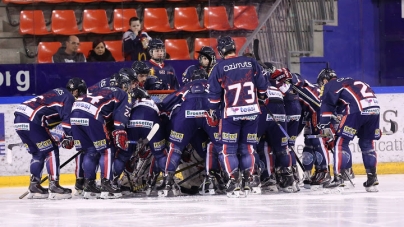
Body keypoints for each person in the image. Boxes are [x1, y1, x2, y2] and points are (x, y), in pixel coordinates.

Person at [207, 36, 268, 198]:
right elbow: (263, 87)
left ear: (220, 51)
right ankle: (247, 182)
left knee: (229, 150)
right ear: (234, 47)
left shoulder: (218, 67)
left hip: (232, 114)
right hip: (252, 112)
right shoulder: (251, 62)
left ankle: (234, 182)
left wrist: (213, 109)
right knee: (248, 148)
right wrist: (261, 98)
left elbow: (214, 98)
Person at [14, 78, 87, 200]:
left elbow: (50, 120)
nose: (80, 97)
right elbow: (66, 119)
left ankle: (34, 185)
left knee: (37, 153)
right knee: (51, 151)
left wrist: (62, 136)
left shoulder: (59, 93)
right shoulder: (68, 97)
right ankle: (54, 186)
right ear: (75, 91)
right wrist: (69, 135)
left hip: (19, 118)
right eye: (80, 93)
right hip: (32, 119)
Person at [317, 68, 381, 192]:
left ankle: (338, 179)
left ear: (325, 80)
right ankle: (372, 179)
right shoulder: (351, 81)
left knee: (341, 143)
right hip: (374, 108)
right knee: (367, 143)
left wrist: (323, 126)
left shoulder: (330, 85)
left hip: (357, 109)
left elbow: (327, 107)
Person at [70, 75, 132, 199]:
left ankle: (89, 185)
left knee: (90, 151)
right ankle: (106, 184)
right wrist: (119, 130)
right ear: (123, 85)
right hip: (92, 115)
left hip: (75, 112)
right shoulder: (122, 93)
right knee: (106, 151)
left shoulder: (98, 90)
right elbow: (121, 116)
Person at [161, 69, 220, 197]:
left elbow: (165, 104)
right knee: (220, 147)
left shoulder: (187, 87)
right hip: (208, 114)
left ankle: (167, 182)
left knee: (175, 148)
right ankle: (214, 180)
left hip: (186, 116)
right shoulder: (212, 84)